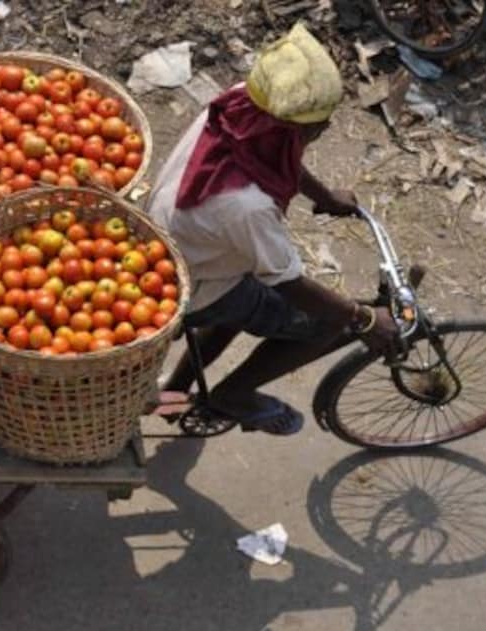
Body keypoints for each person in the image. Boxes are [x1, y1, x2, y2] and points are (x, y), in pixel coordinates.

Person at [147, 24, 398, 435]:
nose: (325, 129)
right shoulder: (247, 208)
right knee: (324, 322)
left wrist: (325, 196)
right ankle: (234, 395)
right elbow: (289, 282)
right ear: (295, 132)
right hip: (189, 283)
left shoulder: (242, 104)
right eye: (321, 124)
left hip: (178, 242)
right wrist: (363, 319)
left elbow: (276, 155)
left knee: (248, 284)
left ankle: (178, 387)